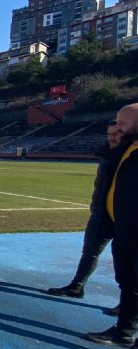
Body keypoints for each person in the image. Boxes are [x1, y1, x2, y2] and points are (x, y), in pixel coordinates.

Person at [84, 103, 138, 349]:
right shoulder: (128, 147)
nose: (117, 127)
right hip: (124, 229)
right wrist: (116, 141)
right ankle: (123, 332)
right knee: (128, 285)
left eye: (122, 123)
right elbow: (106, 161)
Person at [47, 121, 123, 300]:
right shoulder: (107, 155)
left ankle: (129, 302)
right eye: (109, 133)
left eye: (117, 133)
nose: (111, 137)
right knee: (90, 252)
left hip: (126, 218)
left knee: (126, 261)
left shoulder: (131, 158)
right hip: (101, 214)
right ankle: (77, 286)